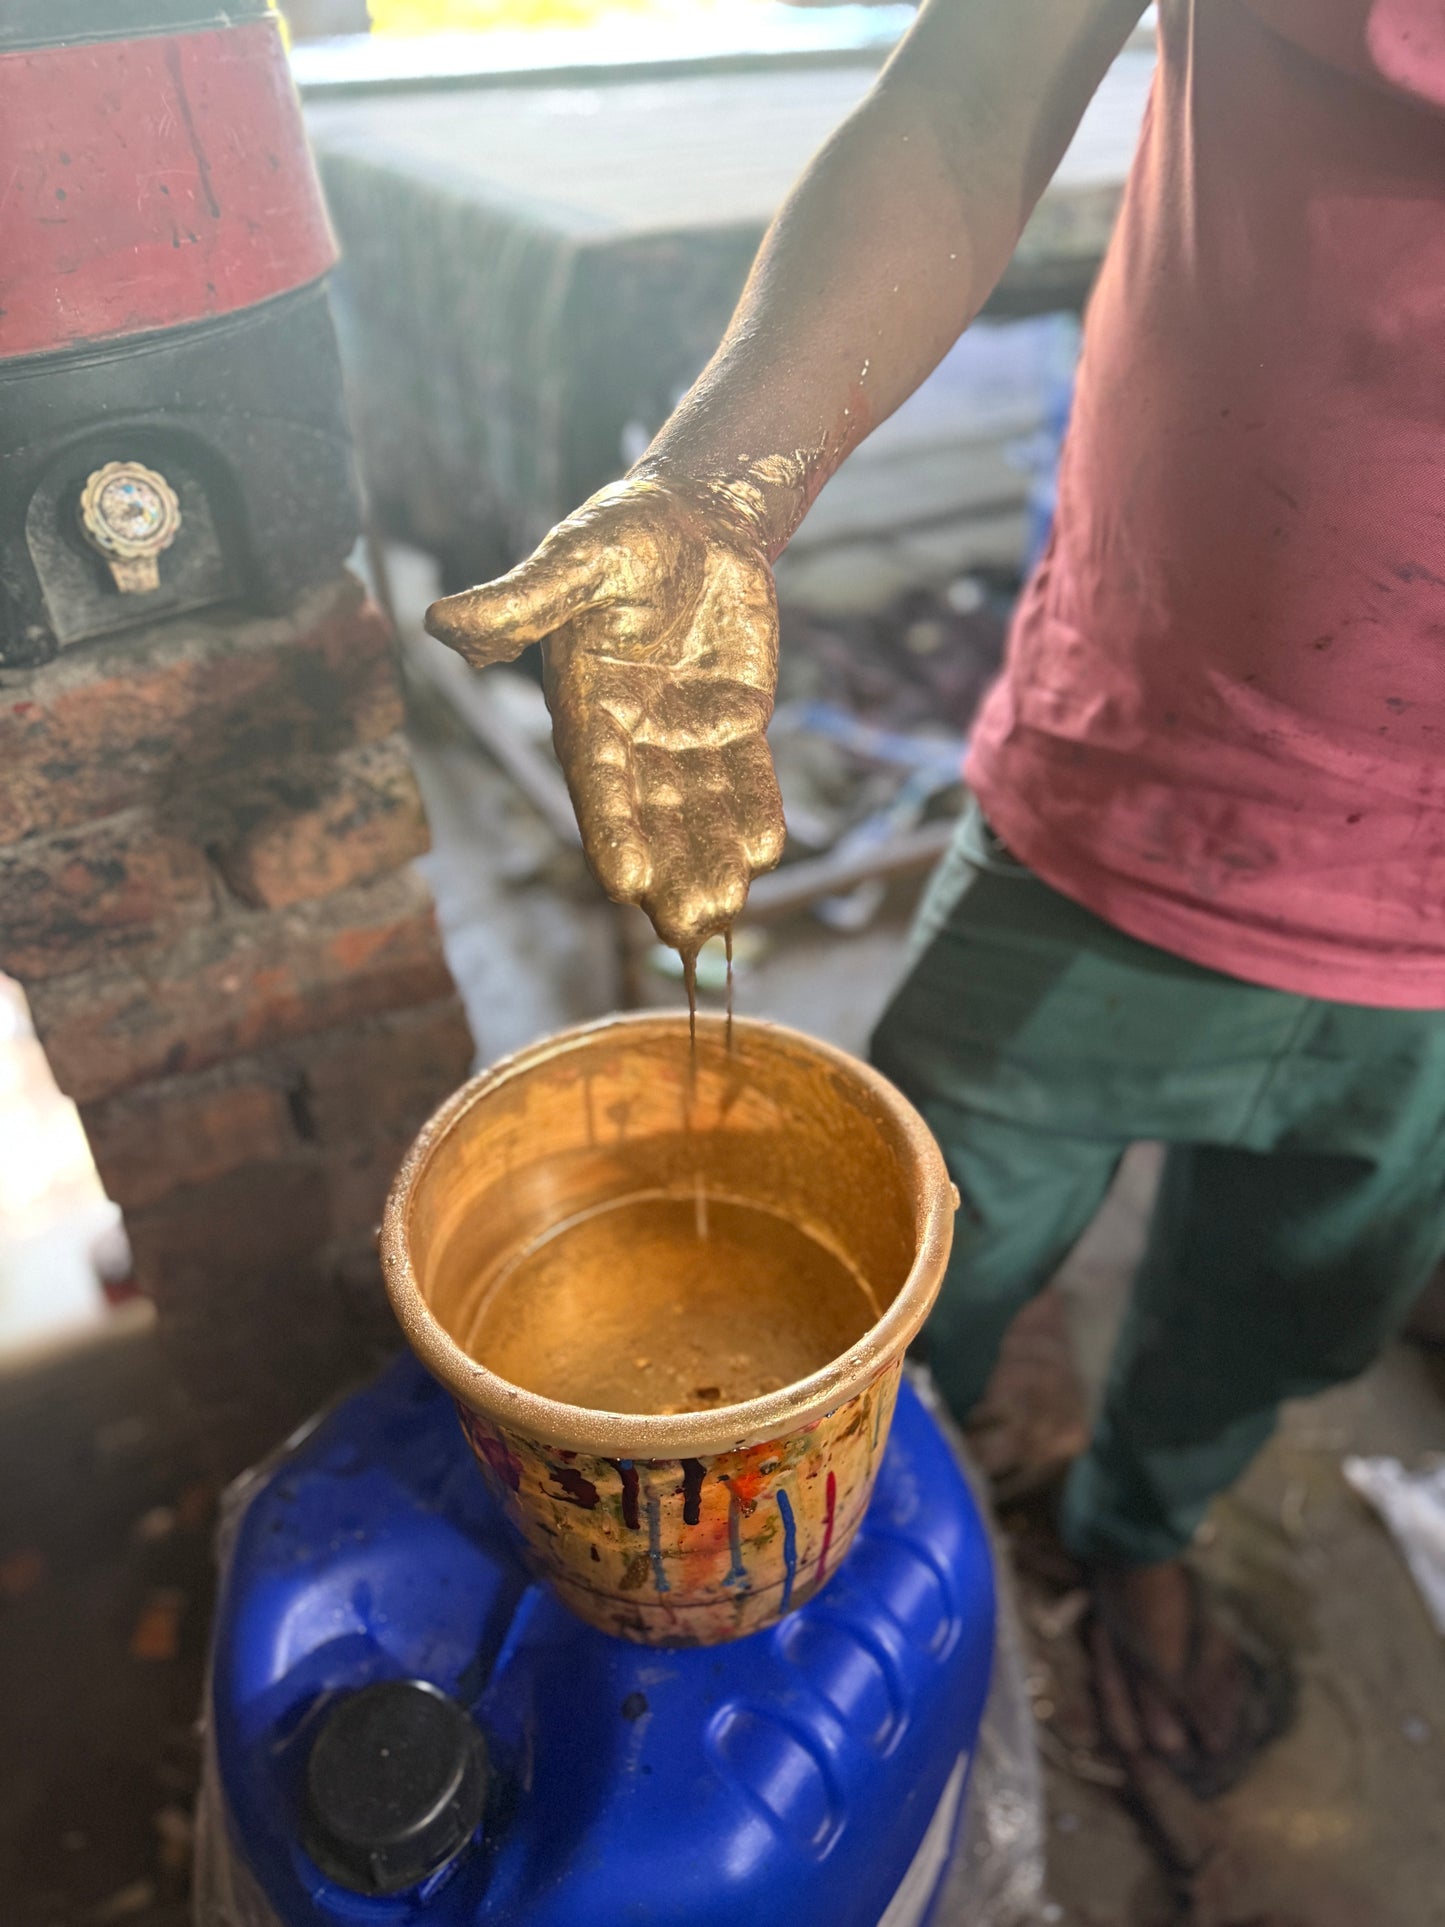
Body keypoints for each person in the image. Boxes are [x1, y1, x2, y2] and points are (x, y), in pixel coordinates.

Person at [426, 0, 1445, 1796]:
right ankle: (868, 1533)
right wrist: (712, 488)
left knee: (1295, 1301)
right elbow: (972, 99)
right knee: (925, 1245)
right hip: (1144, 771)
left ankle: (1139, 1528)